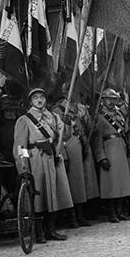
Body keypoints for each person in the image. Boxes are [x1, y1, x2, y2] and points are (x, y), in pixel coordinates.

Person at [14, 88, 73, 242]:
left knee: (54, 195)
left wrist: (67, 125)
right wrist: (24, 167)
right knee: (39, 197)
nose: (39, 100)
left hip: (53, 158)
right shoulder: (25, 120)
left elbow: (64, 136)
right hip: (36, 160)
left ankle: (51, 230)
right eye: (35, 98)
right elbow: (21, 147)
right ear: (30, 101)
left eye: (42, 97)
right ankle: (38, 233)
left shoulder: (53, 117)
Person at [91, 88, 130, 222]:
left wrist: (128, 145)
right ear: (103, 100)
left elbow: (126, 130)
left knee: (122, 182)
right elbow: (96, 138)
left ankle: (120, 210)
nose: (111, 102)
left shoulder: (119, 113)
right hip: (109, 149)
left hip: (121, 147)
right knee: (111, 183)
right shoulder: (99, 116)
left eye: (113, 99)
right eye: (108, 99)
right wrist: (101, 157)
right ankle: (111, 213)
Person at [52, 96, 91, 228]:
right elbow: (57, 134)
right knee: (69, 185)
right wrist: (63, 153)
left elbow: (81, 128)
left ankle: (80, 215)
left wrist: (84, 144)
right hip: (65, 146)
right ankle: (70, 217)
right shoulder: (57, 111)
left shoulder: (75, 109)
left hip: (77, 144)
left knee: (79, 184)